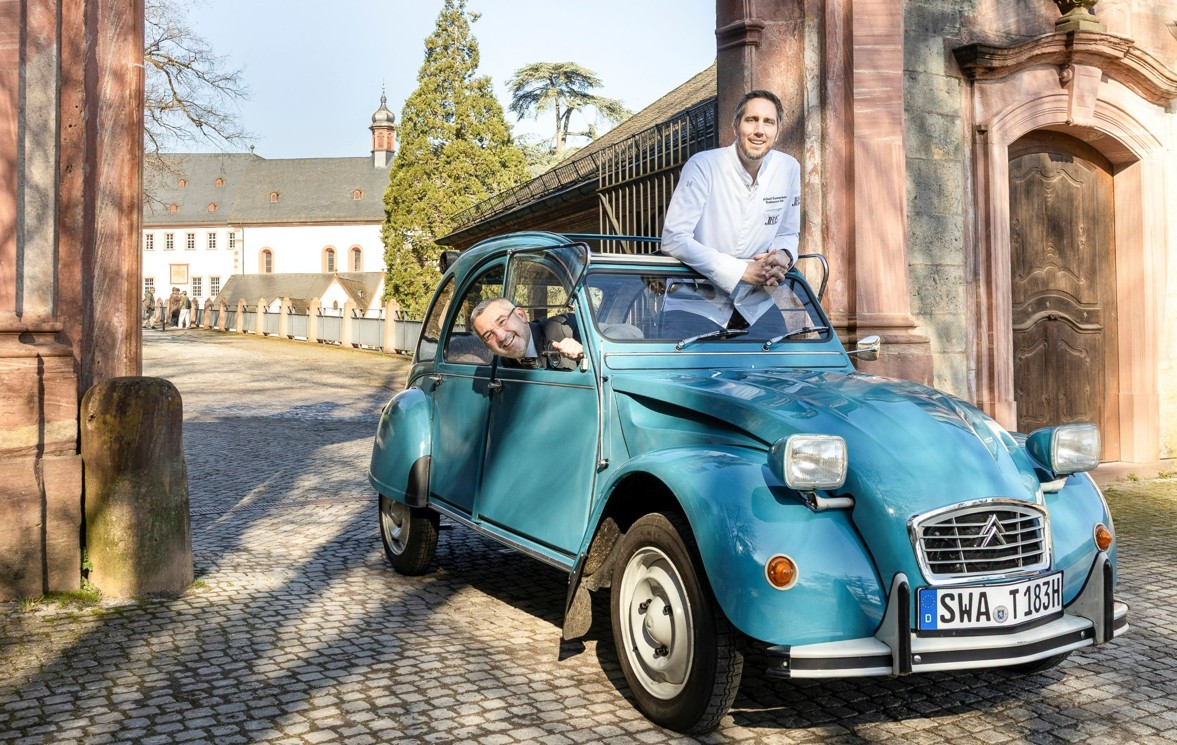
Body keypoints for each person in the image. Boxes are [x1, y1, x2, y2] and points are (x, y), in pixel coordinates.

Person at [660, 89, 801, 335]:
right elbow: (674, 239)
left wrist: (784, 257)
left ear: (777, 131)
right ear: (736, 126)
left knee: (781, 364)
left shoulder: (788, 168)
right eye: (751, 120)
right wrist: (741, 272)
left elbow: (789, 231)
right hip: (696, 304)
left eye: (768, 122)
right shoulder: (703, 165)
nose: (760, 130)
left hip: (755, 304)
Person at [469, 297, 582, 368]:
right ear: (487, 346)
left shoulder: (570, 328)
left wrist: (584, 355)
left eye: (502, 321)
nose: (501, 336)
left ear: (521, 315)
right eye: (488, 335)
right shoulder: (500, 368)